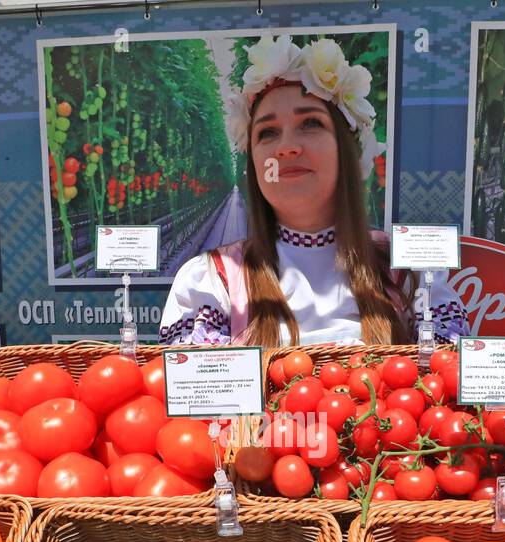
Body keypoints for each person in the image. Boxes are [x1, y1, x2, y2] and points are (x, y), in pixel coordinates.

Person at [159, 34, 470, 347]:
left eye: (310, 124)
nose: (287, 148)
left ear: (346, 149)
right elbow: (201, 391)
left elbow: (443, 381)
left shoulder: (408, 270)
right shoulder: (212, 279)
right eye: (267, 132)